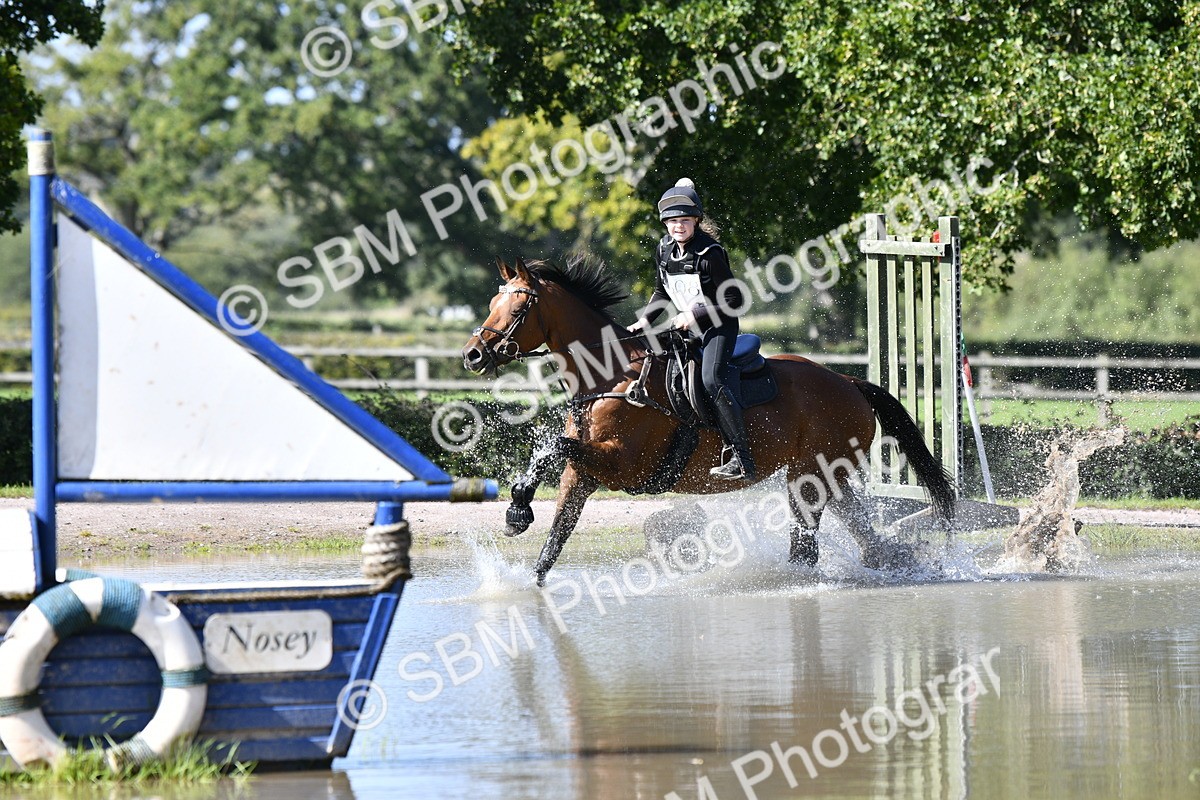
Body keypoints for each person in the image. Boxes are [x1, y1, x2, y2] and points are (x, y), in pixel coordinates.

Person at [627, 178, 756, 481]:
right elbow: (661, 291)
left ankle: (741, 458)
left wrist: (694, 314)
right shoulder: (663, 249)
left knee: (711, 379)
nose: (678, 226)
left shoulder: (710, 253)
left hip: (719, 328)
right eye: (673, 221)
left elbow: (734, 299)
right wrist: (644, 320)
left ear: (696, 221)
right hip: (689, 329)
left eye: (684, 220)